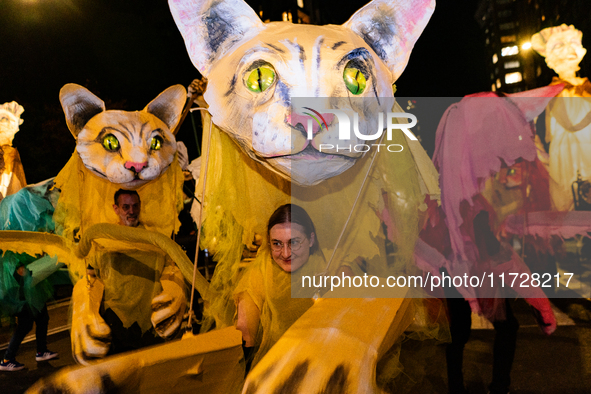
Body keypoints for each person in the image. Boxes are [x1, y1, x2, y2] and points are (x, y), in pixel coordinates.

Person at [234, 203, 324, 371]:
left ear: (311, 240)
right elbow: (246, 331)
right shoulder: (260, 273)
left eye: (294, 242)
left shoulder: (328, 266)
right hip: (276, 368)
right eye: (277, 244)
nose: (286, 253)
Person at [0, 260, 58, 371]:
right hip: (21, 297)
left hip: (30, 293)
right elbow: (14, 265)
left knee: (42, 318)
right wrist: (22, 267)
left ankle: (41, 351)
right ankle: (7, 359)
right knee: (24, 326)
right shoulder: (10, 256)